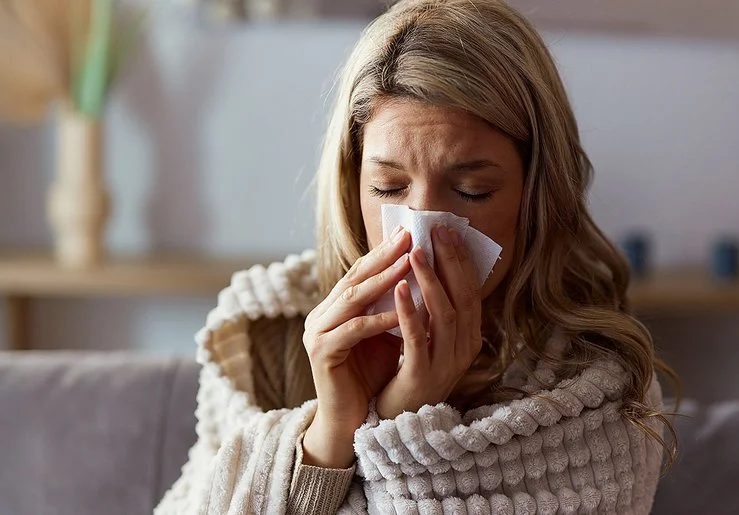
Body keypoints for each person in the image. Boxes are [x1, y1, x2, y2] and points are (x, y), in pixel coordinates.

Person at [155, 0, 677, 513]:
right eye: (388, 187)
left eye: (472, 190)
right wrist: (332, 427)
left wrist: (401, 418)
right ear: (350, 184)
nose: (420, 228)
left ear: (536, 193)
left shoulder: (599, 387)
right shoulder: (263, 334)